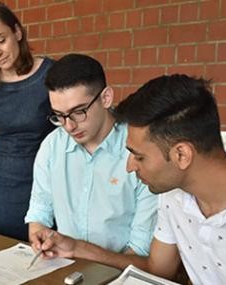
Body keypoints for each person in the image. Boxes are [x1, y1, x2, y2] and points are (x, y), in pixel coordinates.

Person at [33, 74, 226, 284]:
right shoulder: (174, 194)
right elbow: (157, 270)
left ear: (181, 155)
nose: (129, 166)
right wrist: (76, 247)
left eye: (138, 156)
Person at [25, 53, 158, 257]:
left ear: (105, 98)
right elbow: (39, 210)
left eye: (79, 112)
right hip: (63, 267)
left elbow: (141, 249)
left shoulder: (139, 150)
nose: (69, 126)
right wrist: (38, 236)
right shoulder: (52, 146)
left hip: (121, 272)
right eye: (59, 116)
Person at [0, 1, 55, 240]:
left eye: (1, 39)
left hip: (42, 178)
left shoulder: (49, 74)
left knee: (43, 248)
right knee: (1, 250)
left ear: (17, 32)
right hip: (2, 180)